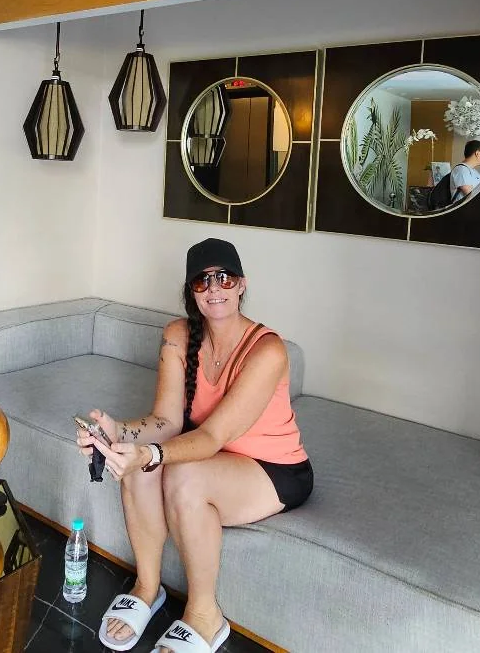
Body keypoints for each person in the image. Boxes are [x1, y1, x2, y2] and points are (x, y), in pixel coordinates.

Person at [78, 238, 312, 653]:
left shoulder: (268, 349)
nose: (214, 288)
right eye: (202, 281)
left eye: (225, 278)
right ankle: (148, 587)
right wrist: (116, 433)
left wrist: (151, 453)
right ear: (191, 291)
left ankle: (205, 613)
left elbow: (211, 437)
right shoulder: (177, 334)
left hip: (272, 469)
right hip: (212, 457)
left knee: (177, 471)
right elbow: (165, 422)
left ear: (242, 285)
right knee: (141, 464)